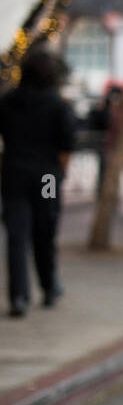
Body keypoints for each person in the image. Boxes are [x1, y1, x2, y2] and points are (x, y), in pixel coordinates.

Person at [0, 50, 77, 317]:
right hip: (46, 176)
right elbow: (67, 145)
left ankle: (19, 297)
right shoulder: (58, 105)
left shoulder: (8, 101)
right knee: (46, 230)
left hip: (14, 174)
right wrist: (60, 174)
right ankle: (48, 285)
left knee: (16, 237)